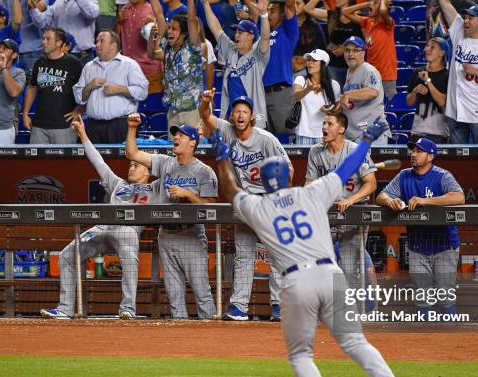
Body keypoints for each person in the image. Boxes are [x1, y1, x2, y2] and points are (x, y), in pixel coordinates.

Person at [212, 116, 414, 377]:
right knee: (355, 341)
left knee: (300, 354)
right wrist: (367, 140)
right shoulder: (312, 192)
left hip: (296, 282)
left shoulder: (257, 206)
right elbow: (348, 168)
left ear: (265, 182)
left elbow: (229, 188)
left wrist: (222, 158)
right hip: (331, 274)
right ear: (289, 174)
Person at [41, 115, 161, 320]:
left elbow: (175, 171)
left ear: (148, 171)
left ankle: (128, 309)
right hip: (104, 227)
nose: (131, 168)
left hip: (128, 230)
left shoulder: (155, 188)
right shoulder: (118, 183)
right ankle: (65, 309)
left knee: (130, 259)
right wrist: (83, 134)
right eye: (130, 164)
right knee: (66, 255)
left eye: (136, 165)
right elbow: (98, 161)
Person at [199, 91, 292, 321]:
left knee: (277, 256)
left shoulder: (266, 139)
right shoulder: (228, 132)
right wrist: (205, 101)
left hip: (269, 201)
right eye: (237, 111)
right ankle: (239, 306)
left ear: (252, 117)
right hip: (245, 202)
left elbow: (288, 170)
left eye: (245, 111)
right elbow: (206, 116)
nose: (240, 115)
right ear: (232, 116)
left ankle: (279, 306)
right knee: (244, 256)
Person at [125, 113, 218, 320]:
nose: (176, 138)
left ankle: (212, 339)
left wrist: (188, 195)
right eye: (175, 135)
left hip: (191, 235)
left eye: (182, 136)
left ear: (193, 143)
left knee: (202, 293)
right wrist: (132, 128)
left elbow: (212, 207)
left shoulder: (205, 171)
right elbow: (132, 153)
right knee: (174, 296)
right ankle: (181, 346)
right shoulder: (165, 163)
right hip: (165, 235)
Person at [376, 137, 465, 317]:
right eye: (412, 151)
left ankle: (451, 338)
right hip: (417, 247)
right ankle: (424, 342)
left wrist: (425, 201)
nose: (413, 154)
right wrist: (390, 201)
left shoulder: (442, 176)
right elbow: (381, 196)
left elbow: (459, 197)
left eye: (418, 151)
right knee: (422, 298)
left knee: (446, 297)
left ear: (430, 156)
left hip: (444, 246)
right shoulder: (404, 175)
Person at [306, 111, 377, 287]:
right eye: (324, 124)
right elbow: (309, 183)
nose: (324, 127)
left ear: (341, 129)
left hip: (352, 215)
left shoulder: (355, 151)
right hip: (327, 216)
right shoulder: (315, 151)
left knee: (348, 268)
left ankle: (350, 311)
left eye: (329, 124)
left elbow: (371, 183)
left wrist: (352, 199)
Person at [437, 1, 478, 144]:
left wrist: (475, 71)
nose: (466, 21)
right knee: (456, 160)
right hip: (455, 110)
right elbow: (445, 5)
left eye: (470, 18)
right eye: (465, 18)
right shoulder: (458, 34)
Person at [203, 0, 271, 128]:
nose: (236, 35)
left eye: (240, 32)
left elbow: (265, 37)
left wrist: (264, 15)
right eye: (236, 32)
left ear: (251, 36)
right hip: (231, 118)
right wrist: (206, 4)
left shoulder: (258, 54)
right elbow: (216, 29)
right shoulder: (231, 51)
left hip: (253, 119)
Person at [73, 30, 148, 144]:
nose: (97, 44)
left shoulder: (129, 65)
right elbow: (79, 98)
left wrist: (120, 89)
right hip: (94, 126)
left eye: (101, 41)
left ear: (113, 46)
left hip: (121, 126)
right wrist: (88, 87)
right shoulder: (89, 67)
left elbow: (143, 91)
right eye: (96, 41)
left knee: (122, 162)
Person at [148, 0, 203, 137]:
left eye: (174, 29)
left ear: (184, 33)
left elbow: (191, 18)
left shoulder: (192, 48)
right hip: (172, 112)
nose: (169, 31)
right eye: (169, 28)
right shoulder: (168, 50)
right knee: (174, 154)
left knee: (193, 151)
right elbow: (159, 13)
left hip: (192, 111)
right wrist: (151, 36)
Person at [22, 27, 84, 144]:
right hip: (39, 125)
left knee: (61, 162)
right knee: (35, 162)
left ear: (59, 42)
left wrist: (80, 109)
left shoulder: (73, 63)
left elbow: (86, 89)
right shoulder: (39, 62)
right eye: (43, 38)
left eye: (48, 39)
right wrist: (25, 113)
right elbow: (32, 87)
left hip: (64, 125)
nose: (43, 42)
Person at [340, 35, 391, 144]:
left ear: (363, 53)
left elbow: (372, 92)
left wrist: (348, 95)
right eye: (347, 50)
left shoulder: (368, 70)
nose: (350, 54)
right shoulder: (350, 71)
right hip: (355, 134)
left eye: (355, 50)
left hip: (371, 133)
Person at [343, 0, 397, 101]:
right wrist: (366, 4)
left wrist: (382, 3)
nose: (370, 4)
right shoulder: (367, 22)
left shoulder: (387, 23)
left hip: (386, 75)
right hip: (370, 74)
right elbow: (345, 12)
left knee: (387, 108)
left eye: (375, 2)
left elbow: (383, 11)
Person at [259, 0, 299, 135]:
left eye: (273, 11)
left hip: (281, 94)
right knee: (264, 140)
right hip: (260, 93)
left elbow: (290, 5)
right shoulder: (262, 31)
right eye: (268, 11)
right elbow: (258, 10)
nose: (269, 14)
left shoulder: (288, 31)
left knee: (284, 138)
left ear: (282, 14)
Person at [303, 0, 363, 88]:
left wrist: (345, 49)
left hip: (354, 65)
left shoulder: (360, 17)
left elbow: (365, 42)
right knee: (334, 95)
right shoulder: (332, 15)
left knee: (352, 98)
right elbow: (307, 9)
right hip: (334, 65)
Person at [406, 37, 450, 143]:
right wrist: (415, 91)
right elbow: (409, 102)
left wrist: (428, 81)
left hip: (438, 133)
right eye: (427, 46)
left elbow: (442, 101)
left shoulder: (447, 75)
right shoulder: (418, 72)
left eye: (432, 47)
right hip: (417, 131)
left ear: (441, 53)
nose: (427, 49)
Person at [28, 0, 100, 64]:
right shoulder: (58, 2)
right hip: (61, 54)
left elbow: (92, 13)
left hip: (83, 56)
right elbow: (42, 22)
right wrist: (33, 9)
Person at [292, 49, 340, 144]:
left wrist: (329, 110)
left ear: (323, 64)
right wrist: (308, 89)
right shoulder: (301, 79)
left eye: (314, 60)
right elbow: (295, 96)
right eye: (309, 60)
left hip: (326, 133)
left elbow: (338, 108)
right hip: (304, 132)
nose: (310, 63)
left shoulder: (334, 85)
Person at [117, 0, 164, 94]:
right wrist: (118, 22)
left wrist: (150, 28)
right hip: (128, 71)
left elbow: (160, 40)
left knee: (151, 106)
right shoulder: (125, 9)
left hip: (149, 72)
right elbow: (117, 40)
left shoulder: (152, 11)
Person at [291, 0, 326, 79]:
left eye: (298, 3)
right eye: (292, 3)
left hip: (306, 71)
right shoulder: (285, 24)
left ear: (306, 5)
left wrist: (304, 63)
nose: (294, 6)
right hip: (286, 71)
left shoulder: (314, 26)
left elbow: (321, 50)